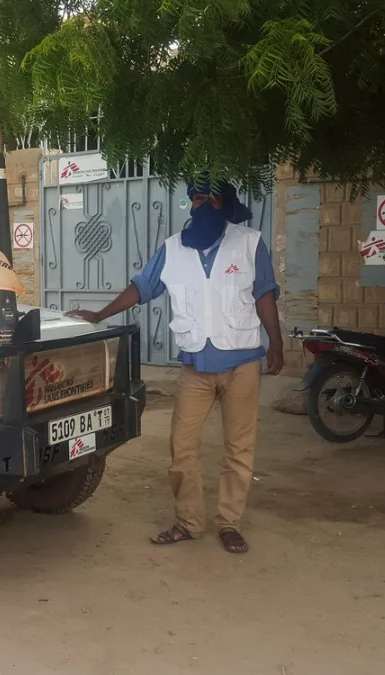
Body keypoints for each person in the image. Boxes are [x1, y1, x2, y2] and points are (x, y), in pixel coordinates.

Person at [67, 176, 283, 554]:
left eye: (207, 199)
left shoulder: (249, 244)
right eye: (194, 200)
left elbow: (264, 296)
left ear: (223, 204)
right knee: (181, 448)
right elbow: (142, 288)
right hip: (195, 369)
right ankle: (190, 521)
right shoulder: (172, 249)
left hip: (243, 363)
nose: (199, 206)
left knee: (239, 448)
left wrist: (276, 344)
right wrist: (100, 314)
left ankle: (229, 523)